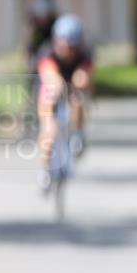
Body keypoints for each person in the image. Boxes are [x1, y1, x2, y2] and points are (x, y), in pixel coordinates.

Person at [36, 14, 93, 192]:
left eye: (72, 46)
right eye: (63, 45)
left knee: (78, 98)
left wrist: (81, 80)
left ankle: (78, 133)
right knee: (49, 129)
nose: (67, 50)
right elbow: (48, 73)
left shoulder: (84, 55)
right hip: (50, 90)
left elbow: (85, 74)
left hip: (71, 90)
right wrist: (57, 83)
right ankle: (45, 170)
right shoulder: (47, 53)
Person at [25, 0, 58, 74]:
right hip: (39, 54)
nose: (42, 21)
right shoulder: (34, 26)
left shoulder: (55, 25)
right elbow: (30, 45)